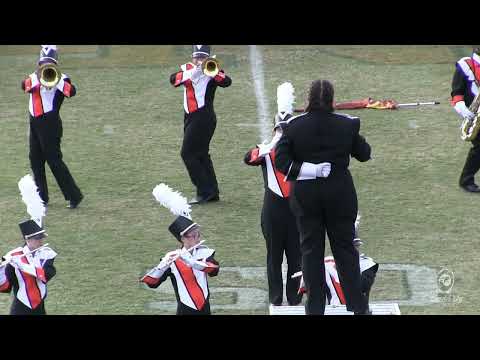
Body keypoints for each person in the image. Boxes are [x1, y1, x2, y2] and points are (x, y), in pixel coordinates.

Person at [275, 79, 372, 315]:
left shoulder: (294, 126)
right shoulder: (347, 125)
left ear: (308, 99)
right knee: (346, 250)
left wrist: (309, 169)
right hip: (340, 194)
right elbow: (365, 154)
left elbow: (281, 162)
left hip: (307, 196)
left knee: (310, 251)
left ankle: (315, 308)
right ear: (332, 99)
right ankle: (357, 306)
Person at [243, 82, 331, 306]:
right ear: (274, 129)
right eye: (279, 129)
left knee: (296, 256)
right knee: (273, 257)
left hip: (296, 208)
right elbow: (249, 158)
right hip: (272, 209)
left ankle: (293, 298)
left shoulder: (300, 149)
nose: (283, 134)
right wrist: (271, 144)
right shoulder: (265, 148)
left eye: (286, 130)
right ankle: (275, 298)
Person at [21, 45, 83, 208]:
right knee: (35, 159)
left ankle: (74, 195)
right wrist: (38, 79)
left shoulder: (62, 79)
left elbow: (72, 92)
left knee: (54, 161)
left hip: (49, 124)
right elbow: (24, 86)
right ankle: (42, 197)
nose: (45, 67)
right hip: (34, 122)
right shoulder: (33, 77)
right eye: (43, 64)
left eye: (49, 64)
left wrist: (58, 82)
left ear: (55, 64)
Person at [169, 45, 232, 204]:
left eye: (202, 57)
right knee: (201, 154)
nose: (199, 60)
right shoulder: (187, 69)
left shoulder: (212, 71)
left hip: (203, 117)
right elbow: (173, 80)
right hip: (189, 117)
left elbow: (226, 82)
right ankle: (212, 192)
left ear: (208, 57)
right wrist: (193, 72)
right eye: (196, 57)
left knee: (188, 154)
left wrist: (212, 71)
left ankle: (204, 192)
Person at [140, 215, 219, 315]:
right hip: (185, 309)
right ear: (183, 239)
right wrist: (162, 266)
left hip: (204, 308)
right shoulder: (173, 258)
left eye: (198, 234)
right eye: (193, 235)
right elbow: (152, 283)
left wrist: (192, 262)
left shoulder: (205, 253)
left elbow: (214, 270)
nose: (197, 238)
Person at [295, 214, 379, 307]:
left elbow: (361, 287)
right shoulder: (326, 264)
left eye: (354, 246)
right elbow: (311, 291)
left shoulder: (367, 265)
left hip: (359, 311)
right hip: (333, 310)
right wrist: (311, 272)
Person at [0, 220, 57, 315]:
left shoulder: (46, 253)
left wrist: (23, 266)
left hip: (39, 303)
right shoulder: (12, 255)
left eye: (41, 238)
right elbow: (6, 286)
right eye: (37, 239)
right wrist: (1, 271)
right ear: (27, 239)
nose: (41, 241)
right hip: (21, 303)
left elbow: (46, 275)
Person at [451, 48, 480, 193]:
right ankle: (466, 180)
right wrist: (461, 107)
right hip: (475, 115)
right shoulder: (466, 65)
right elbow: (456, 92)